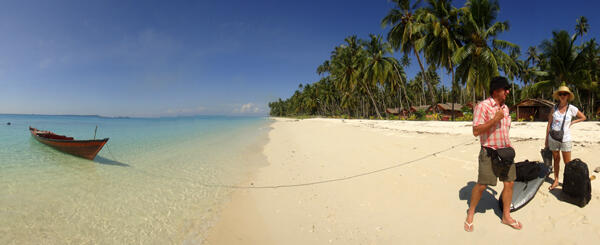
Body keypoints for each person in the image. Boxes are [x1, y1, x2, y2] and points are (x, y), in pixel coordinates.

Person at [464, 76, 522, 232]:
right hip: (488, 152)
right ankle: (471, 212)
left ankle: (506, 216)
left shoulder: (506, 108)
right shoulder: (482, 107)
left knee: (509, 183)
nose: (508, 92)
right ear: (496, 90)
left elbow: (505, 129)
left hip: (506, 152)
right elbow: (476, 131)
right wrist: (494, 119)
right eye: (505, 89)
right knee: (482, 185)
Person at [545, 85, 586, 190]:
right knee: (556, 160)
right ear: (558, 96)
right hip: (553, 137)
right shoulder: (553, 108)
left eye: (565, 94)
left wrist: (573, 122)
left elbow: (583, 117)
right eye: (561, 94)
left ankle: (568, 182)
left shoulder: (572, 108)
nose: (563, 96)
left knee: (568, 163)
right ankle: (556, 180)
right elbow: (549, 124)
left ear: (568, 96)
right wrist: (546, 140)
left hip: (566, 138)